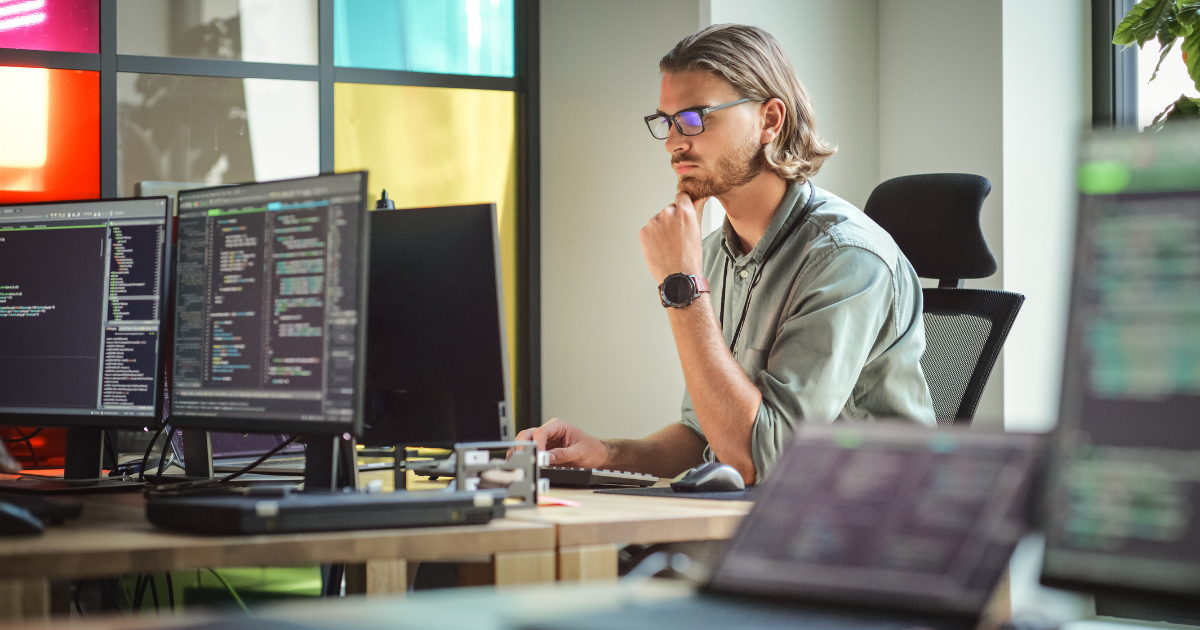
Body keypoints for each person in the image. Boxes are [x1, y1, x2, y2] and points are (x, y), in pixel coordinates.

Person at [519, 24, 935, 485]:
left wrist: (682, 286)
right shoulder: (714, 254)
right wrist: (607, 453)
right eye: (667, 121)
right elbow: (705, 435)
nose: (675, 142)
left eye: (696, 117)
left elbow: (758, 460)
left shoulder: (846, 259)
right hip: (767, 522)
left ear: (770, 121)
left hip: (862, 534)